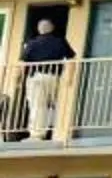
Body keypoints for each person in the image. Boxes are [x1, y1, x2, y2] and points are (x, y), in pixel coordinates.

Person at [15, 13, 75, 141]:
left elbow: (22, 63)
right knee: (54, 105)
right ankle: (55, 132)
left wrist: (18, 79)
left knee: (37, 105)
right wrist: (69, 78)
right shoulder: (60, 41)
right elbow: (71, 59)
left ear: (39, 29)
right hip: (54, 77)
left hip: (37, 78)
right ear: (52, 28)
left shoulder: (32, 43)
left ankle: (37, 135)